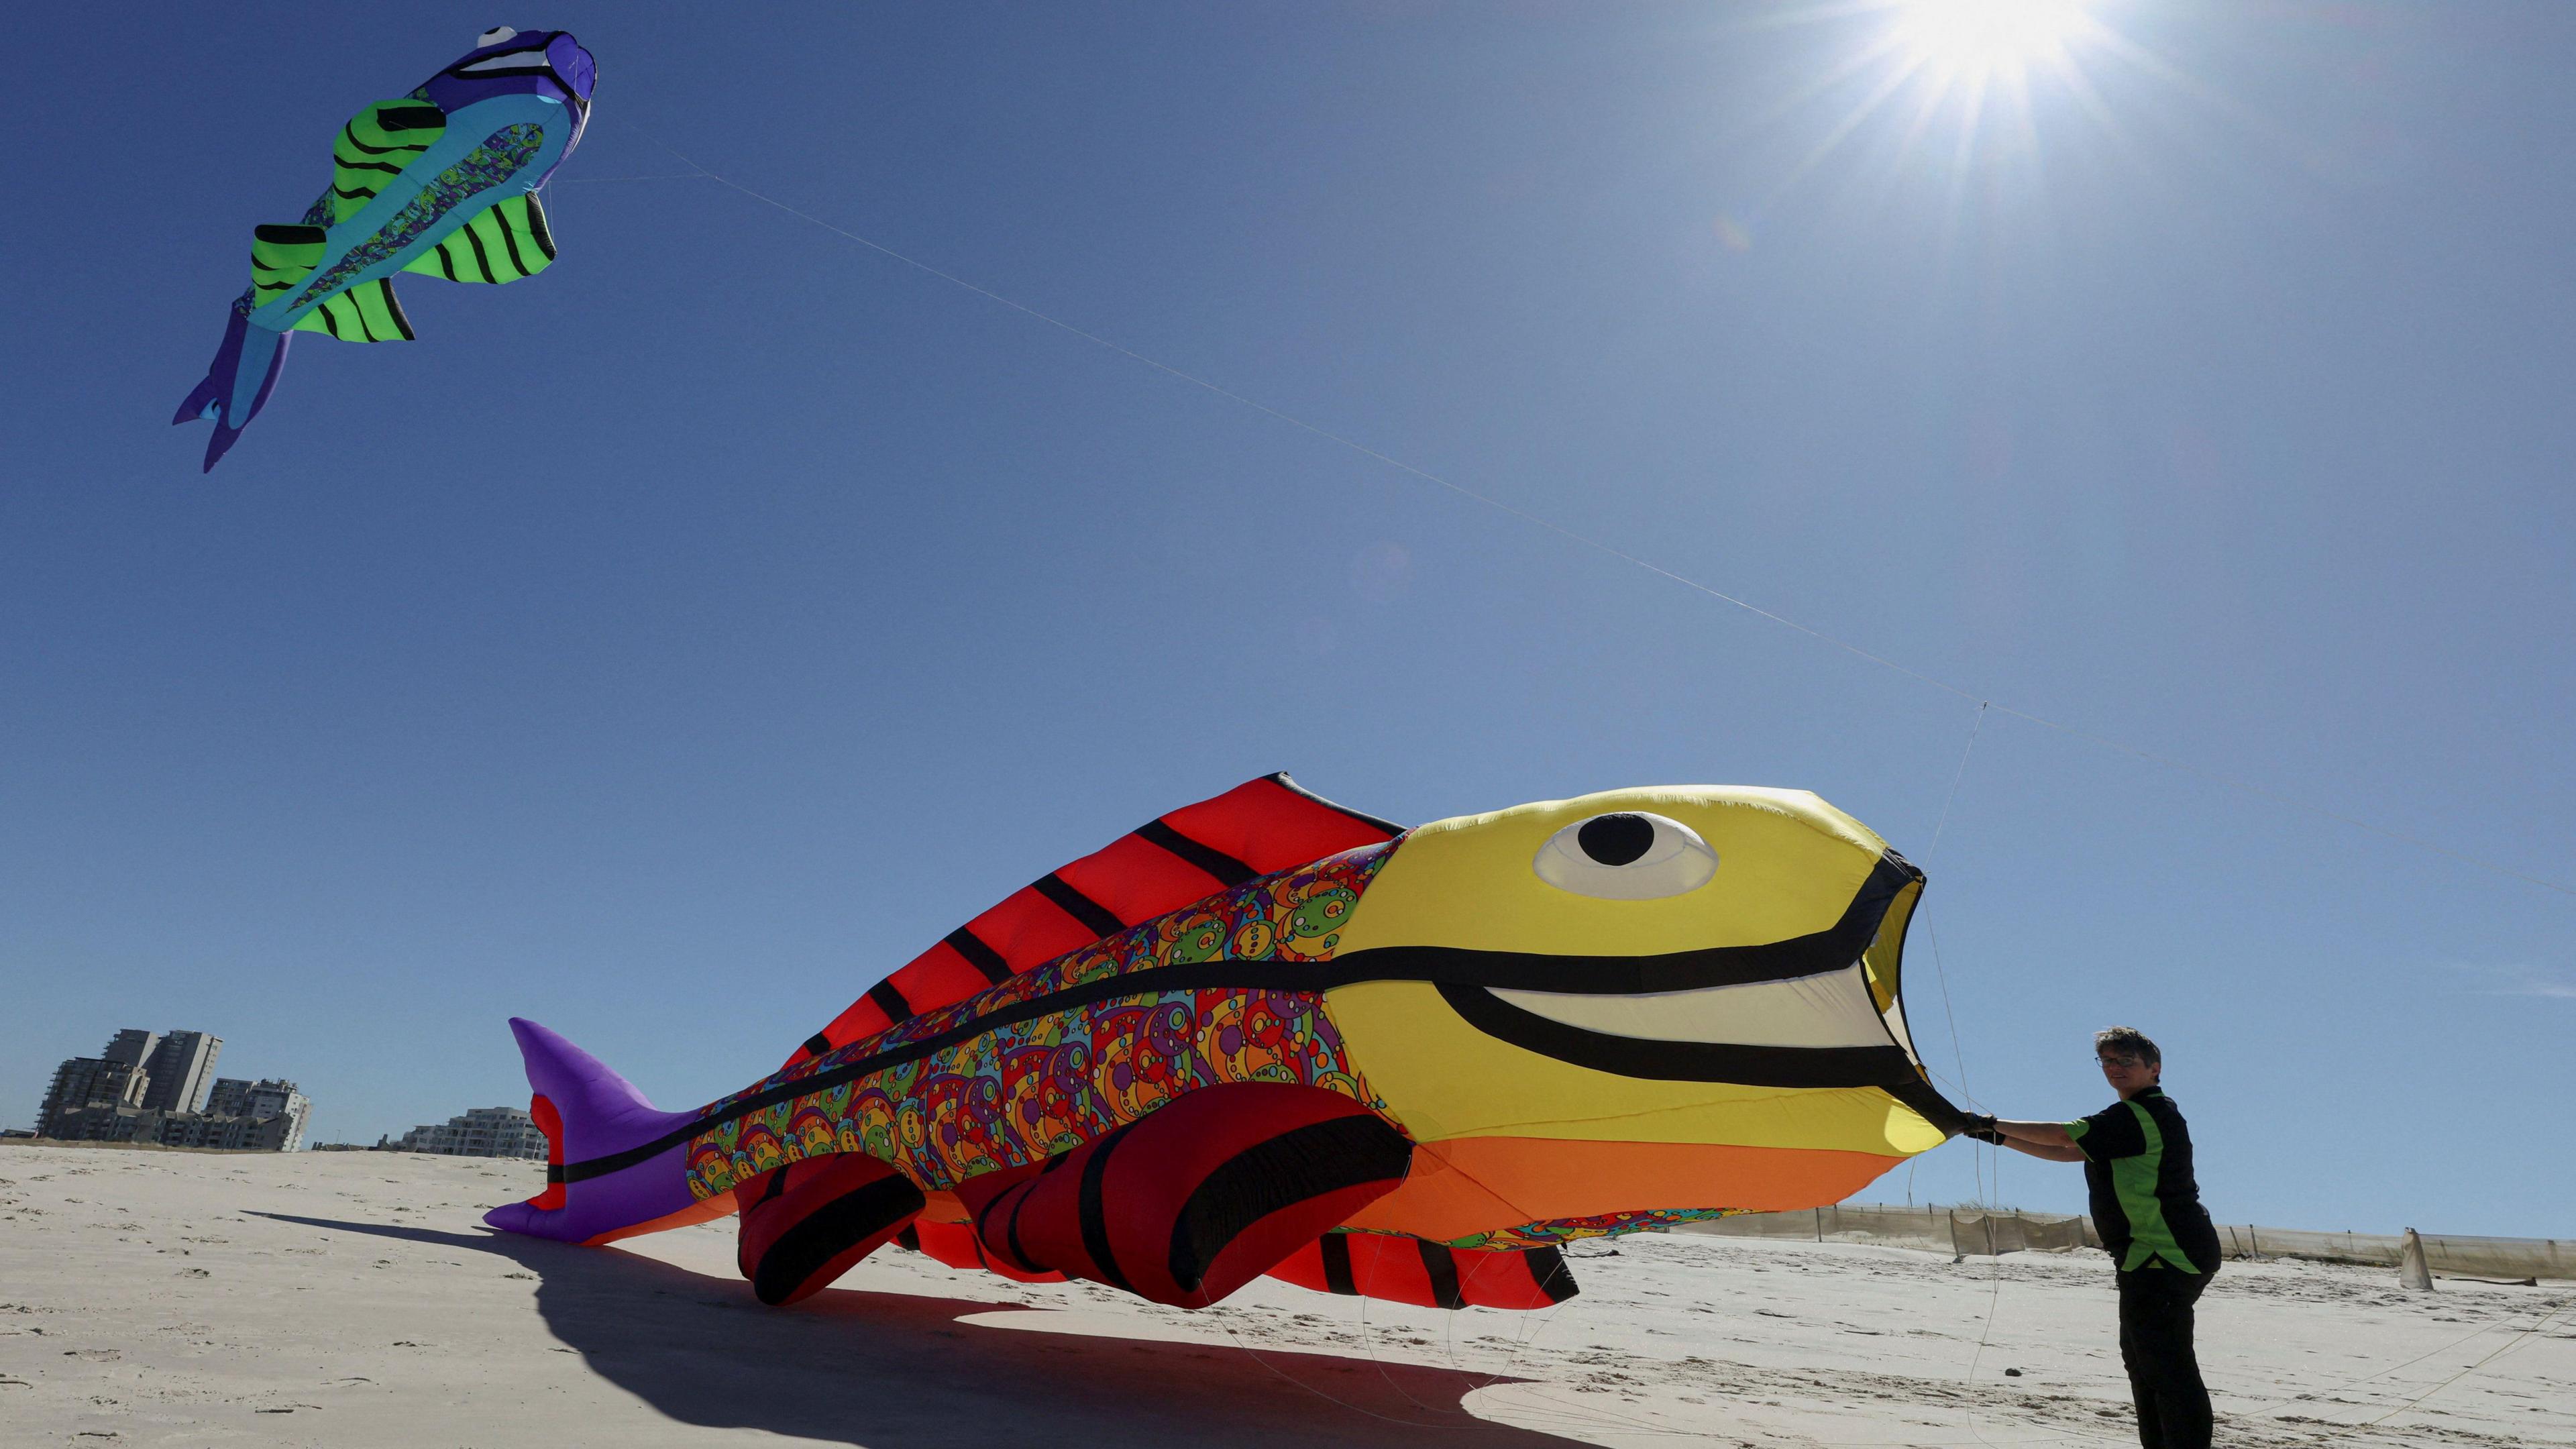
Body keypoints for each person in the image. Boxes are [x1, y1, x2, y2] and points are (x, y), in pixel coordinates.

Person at [1962, 1027, 2223, 1449]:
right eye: (2107, 1061)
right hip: (2145, 1256)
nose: (2114, 1068)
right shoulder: (2128, 1119)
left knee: (2166, 1366)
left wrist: (1990, 1122)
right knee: (2141, 1362)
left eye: (2125, 1061)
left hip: (2166, 1252)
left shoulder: (2146, 1114)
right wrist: (1994, 1136)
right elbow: (2068, 1151)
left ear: (2154, 1069)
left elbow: (2064, 1135)